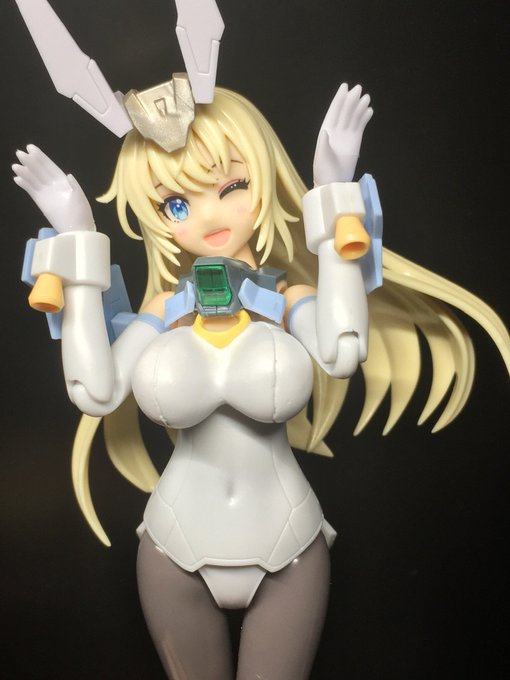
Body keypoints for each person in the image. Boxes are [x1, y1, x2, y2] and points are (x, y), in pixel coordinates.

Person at [14, 85, 510, 679]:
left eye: (232, 186)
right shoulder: (164, 309)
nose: (210, 216)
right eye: (177, 205)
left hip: (288, 545)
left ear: (264, 179)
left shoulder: (286, 298)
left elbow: (343, 350)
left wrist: (332, 191)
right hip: (174, 544)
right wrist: (76, 240)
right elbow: (94, 392)